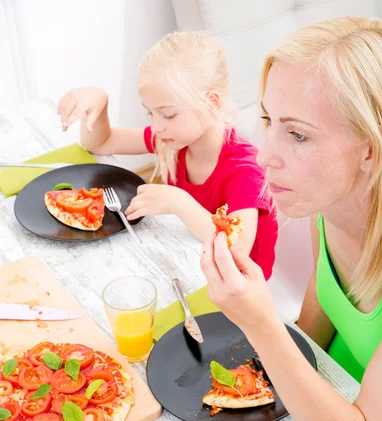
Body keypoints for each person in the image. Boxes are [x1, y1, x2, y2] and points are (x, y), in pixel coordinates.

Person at [200, 17, 382, 421]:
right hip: (335, 402)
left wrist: (260, 320)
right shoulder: (327, 207)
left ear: (372, 150)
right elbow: (315, 324)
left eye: (298, 134)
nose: (265, 154)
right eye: (269, 120)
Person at [58, 31, 277, 280]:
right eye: (150, 113)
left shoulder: (245, 170)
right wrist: (99, 104)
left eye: (168, 114)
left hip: (239, 287)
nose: (157, 126)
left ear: (212, 104)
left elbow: (235, 248)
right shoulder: (175, 139)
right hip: (189, 261)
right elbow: (101, 143)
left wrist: (178, 202)